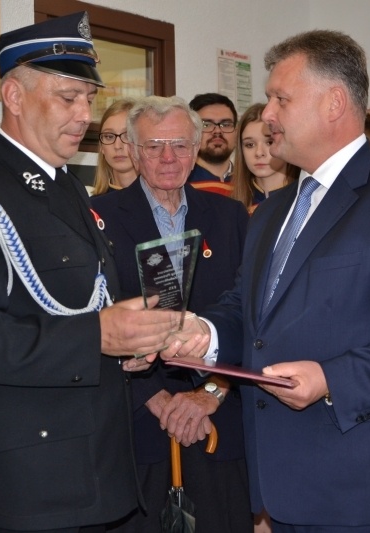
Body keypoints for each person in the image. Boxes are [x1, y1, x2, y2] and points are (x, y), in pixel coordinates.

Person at [150, 30, 370, 532]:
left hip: (365, 489)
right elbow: (249, 312)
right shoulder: (272, 209)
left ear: (334, 103)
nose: (268, 113)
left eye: (281, 98)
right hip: (281, 485)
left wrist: (330, 379)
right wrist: (204, 335)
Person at [0, 12, 179, 532]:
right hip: (24, 489)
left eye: (89, 98)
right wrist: (96, 336)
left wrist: (126, 343)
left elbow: (81, 305)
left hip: (92, 474)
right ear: (14, 96)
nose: (86, 114)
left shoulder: (67, 189)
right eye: (68, 97)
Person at [91, 96, 251, 533]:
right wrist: (157, 399)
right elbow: (93, 321)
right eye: (155, 145)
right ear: (135, 150)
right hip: (136, 428)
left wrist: (212, 393)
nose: (167, 157)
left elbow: (252, 316)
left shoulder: (232, 217)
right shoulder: (96, 218)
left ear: (197, 148)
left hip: (219, 425)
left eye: (180, 145)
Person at [231, 102, 300, 213]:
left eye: (269, 142)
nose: (259, 153)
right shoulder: (230, 207)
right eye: (250, 145)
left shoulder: (306, 200)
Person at [187, 93, 238, 195]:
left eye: (226, 124)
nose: (217, 131)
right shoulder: (180, 184)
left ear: (236, 131)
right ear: (191, 131)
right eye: (206, 125)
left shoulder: (250, 184)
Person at [89, 98, 138, 196]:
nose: (117, 146)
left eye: (127, 135)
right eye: (109, 136)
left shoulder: (161, 201)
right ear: (102, 147)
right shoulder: (91, 206)